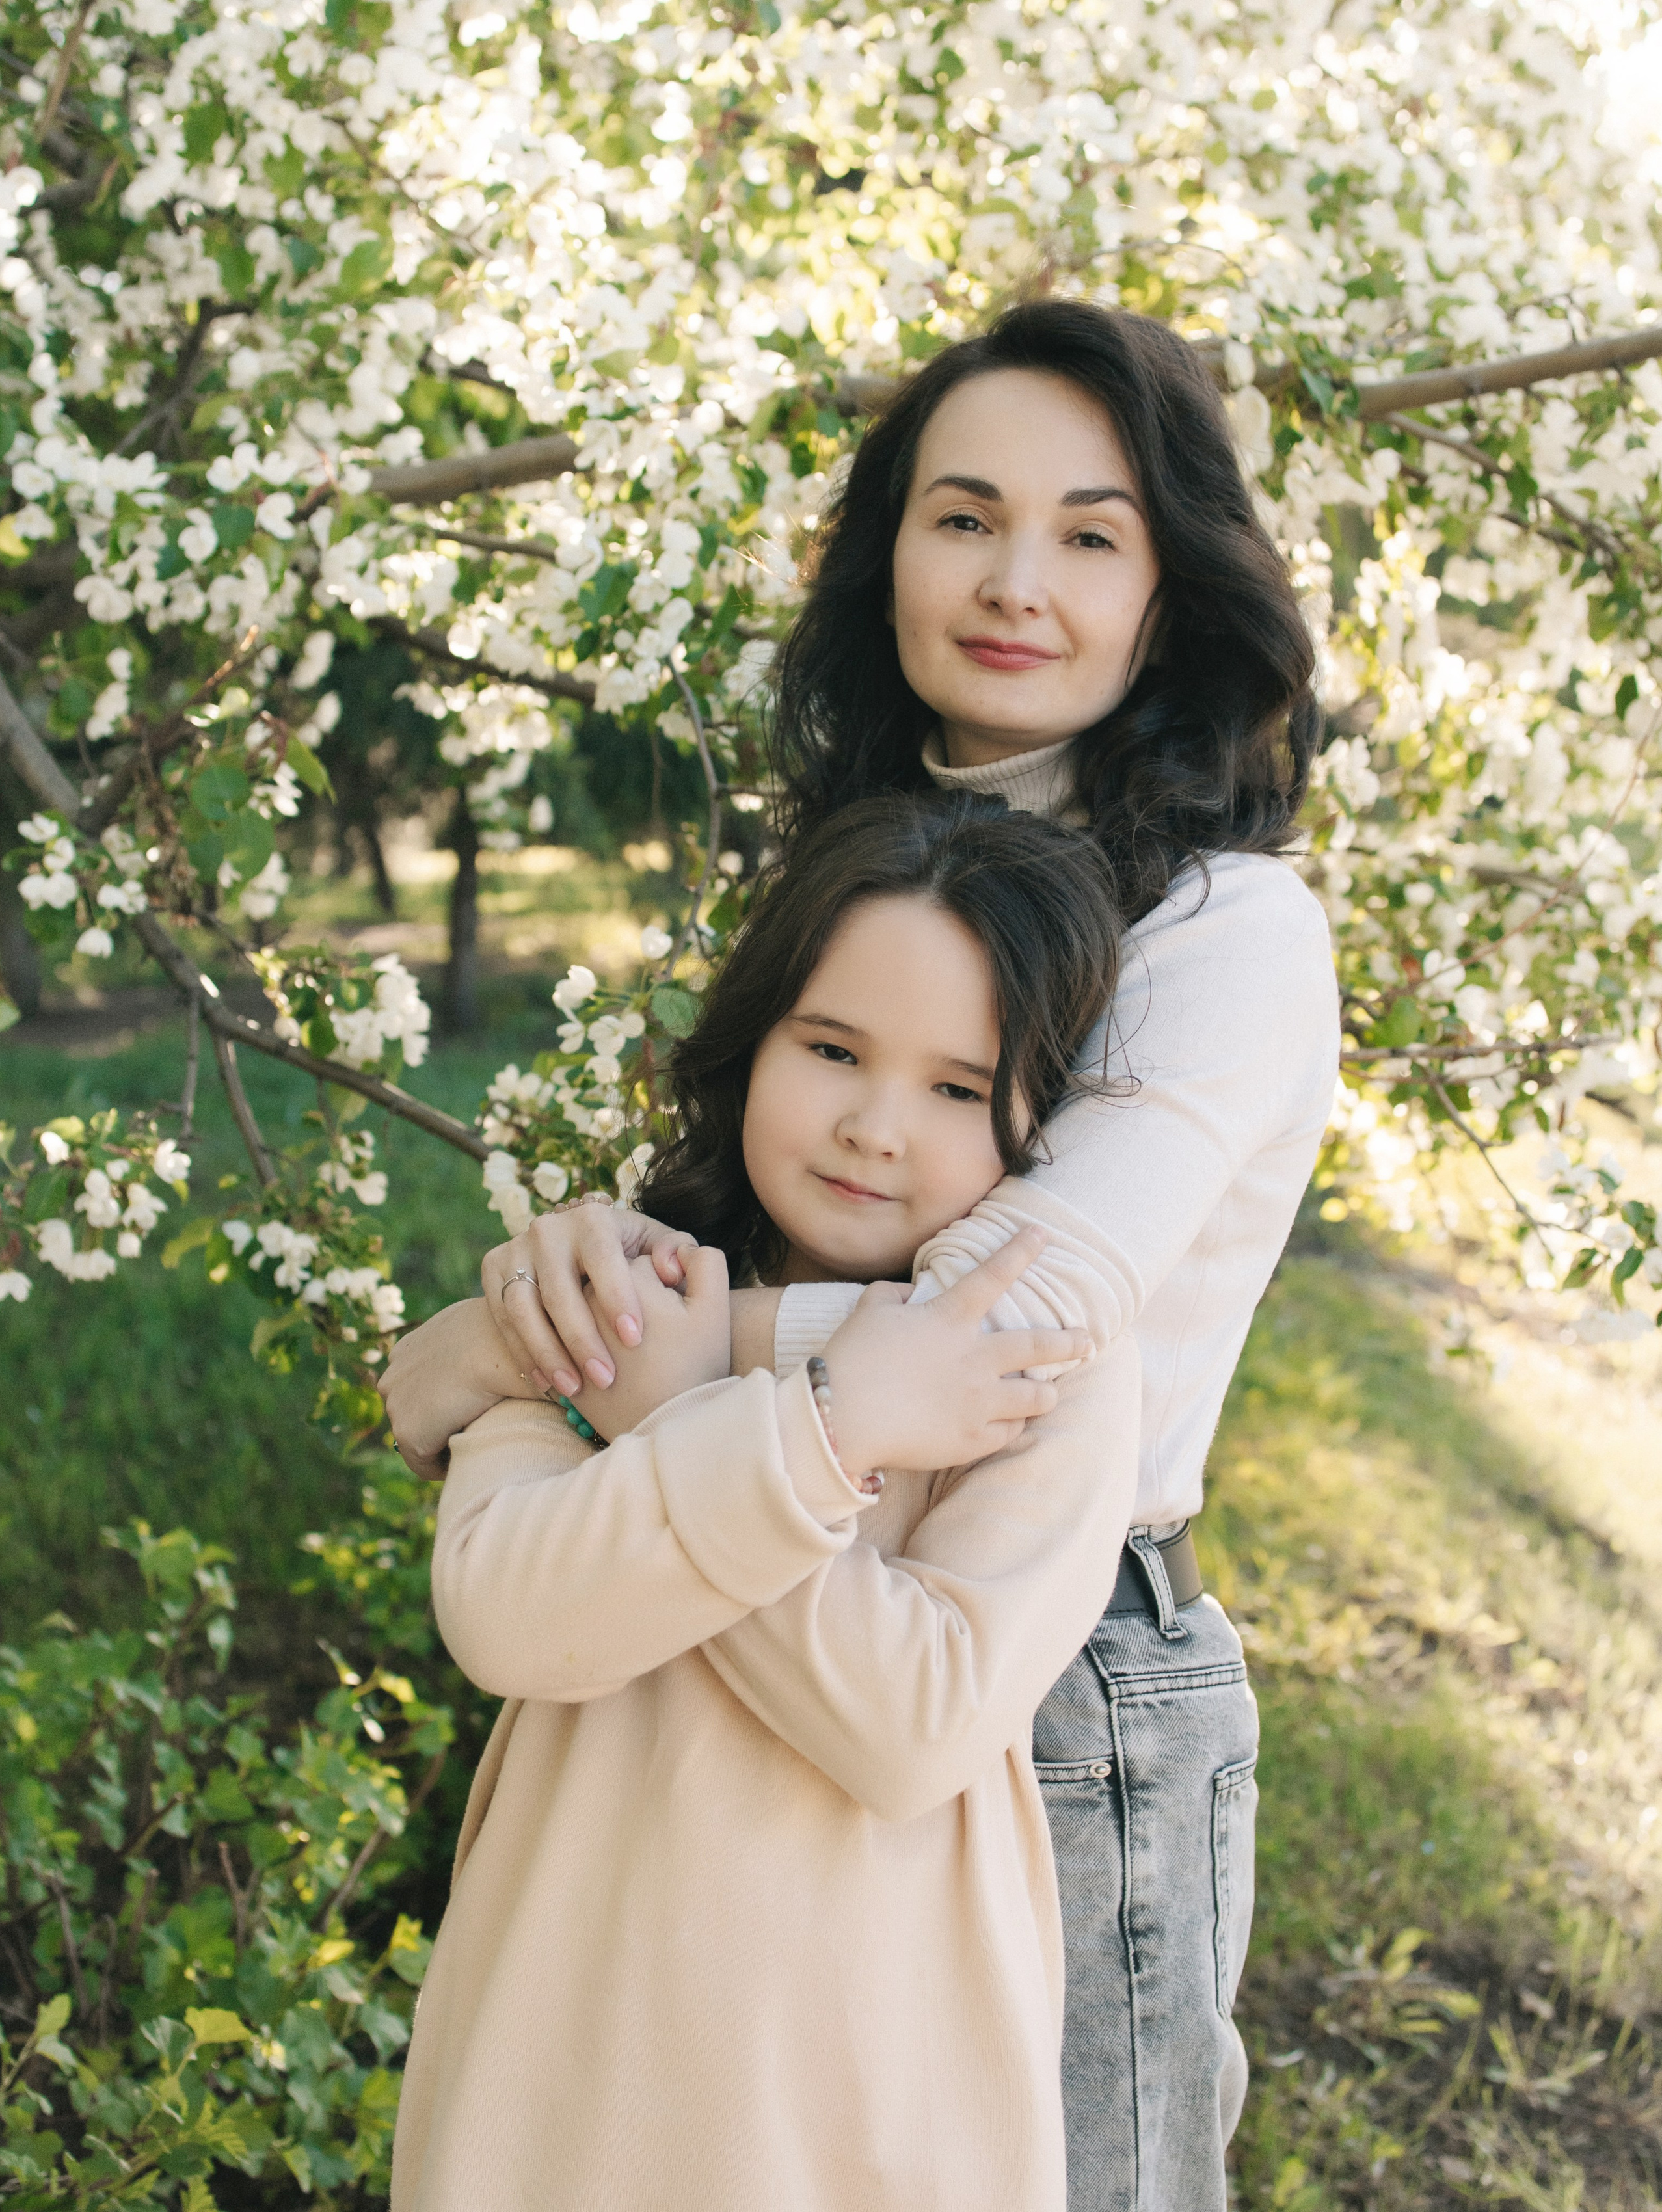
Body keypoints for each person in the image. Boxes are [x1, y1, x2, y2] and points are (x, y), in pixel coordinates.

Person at [388, 298, 1340, 2211]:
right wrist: (555, 1333)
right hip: (728, 1571)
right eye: (960, 514)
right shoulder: (870, 858)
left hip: (1038, 1658)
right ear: (885, 550)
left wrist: (596, 1346)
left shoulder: (1224, 924)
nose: (1016, 582)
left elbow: (1016, 1320)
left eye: (1093, 533)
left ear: (1175, 587)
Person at [389, 795, 1144, 2212]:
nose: (873, 1128)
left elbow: (915, 1720)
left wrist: (679, 1409)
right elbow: (506, 1613)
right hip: (566, 2044)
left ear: (1038, 1113)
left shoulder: (1039, 1370)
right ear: (752, 1044)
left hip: (864, 2071)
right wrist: (822, 1427)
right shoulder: (606, 1280)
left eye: (954, 1086)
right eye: (833, 1051)